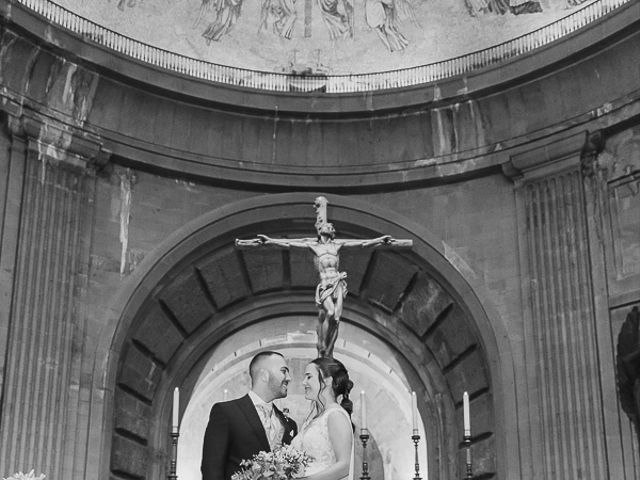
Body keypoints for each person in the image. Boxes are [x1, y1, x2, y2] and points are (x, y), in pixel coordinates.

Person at [246, 226, 393, 357]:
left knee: (336, 318)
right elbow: (289, 244)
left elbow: (361, 244)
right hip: (325, 285)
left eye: (330, 226)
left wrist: (380, 240)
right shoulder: (314, 246)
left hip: (338, 283)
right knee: (329, 313)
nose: (328, 226)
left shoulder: (337, 245)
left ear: (332, 232)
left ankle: (328, 351)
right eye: (326, 225)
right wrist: (269, 241)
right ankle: (321, 343)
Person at [201, 351, 297, 480]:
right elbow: (211, 470)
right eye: (283, 371)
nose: (289, 378)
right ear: (264, 375)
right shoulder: (226, 412)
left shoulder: (290, 424)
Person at [292, 357, 354, 480]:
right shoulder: (315, 418)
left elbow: (345, 465)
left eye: (309, 377)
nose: (304, 382)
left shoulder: (335, 415)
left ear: (327, 381)